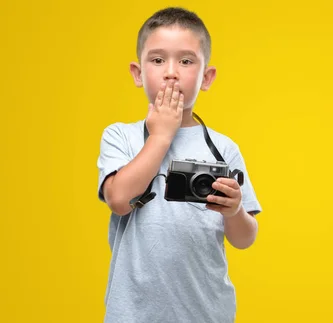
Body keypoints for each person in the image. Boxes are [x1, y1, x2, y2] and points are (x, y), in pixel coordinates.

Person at [96, 6, 262, 323]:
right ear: (137, 73)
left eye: (186, 61)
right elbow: (119, 201)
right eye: (158, 60)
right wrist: (160, 136)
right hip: (133, 312)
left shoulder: (224, 148)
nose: (171, 72)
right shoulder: (121, 136)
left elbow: (245, 239)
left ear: (206, 77)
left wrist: (234, 211)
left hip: (207, 311)